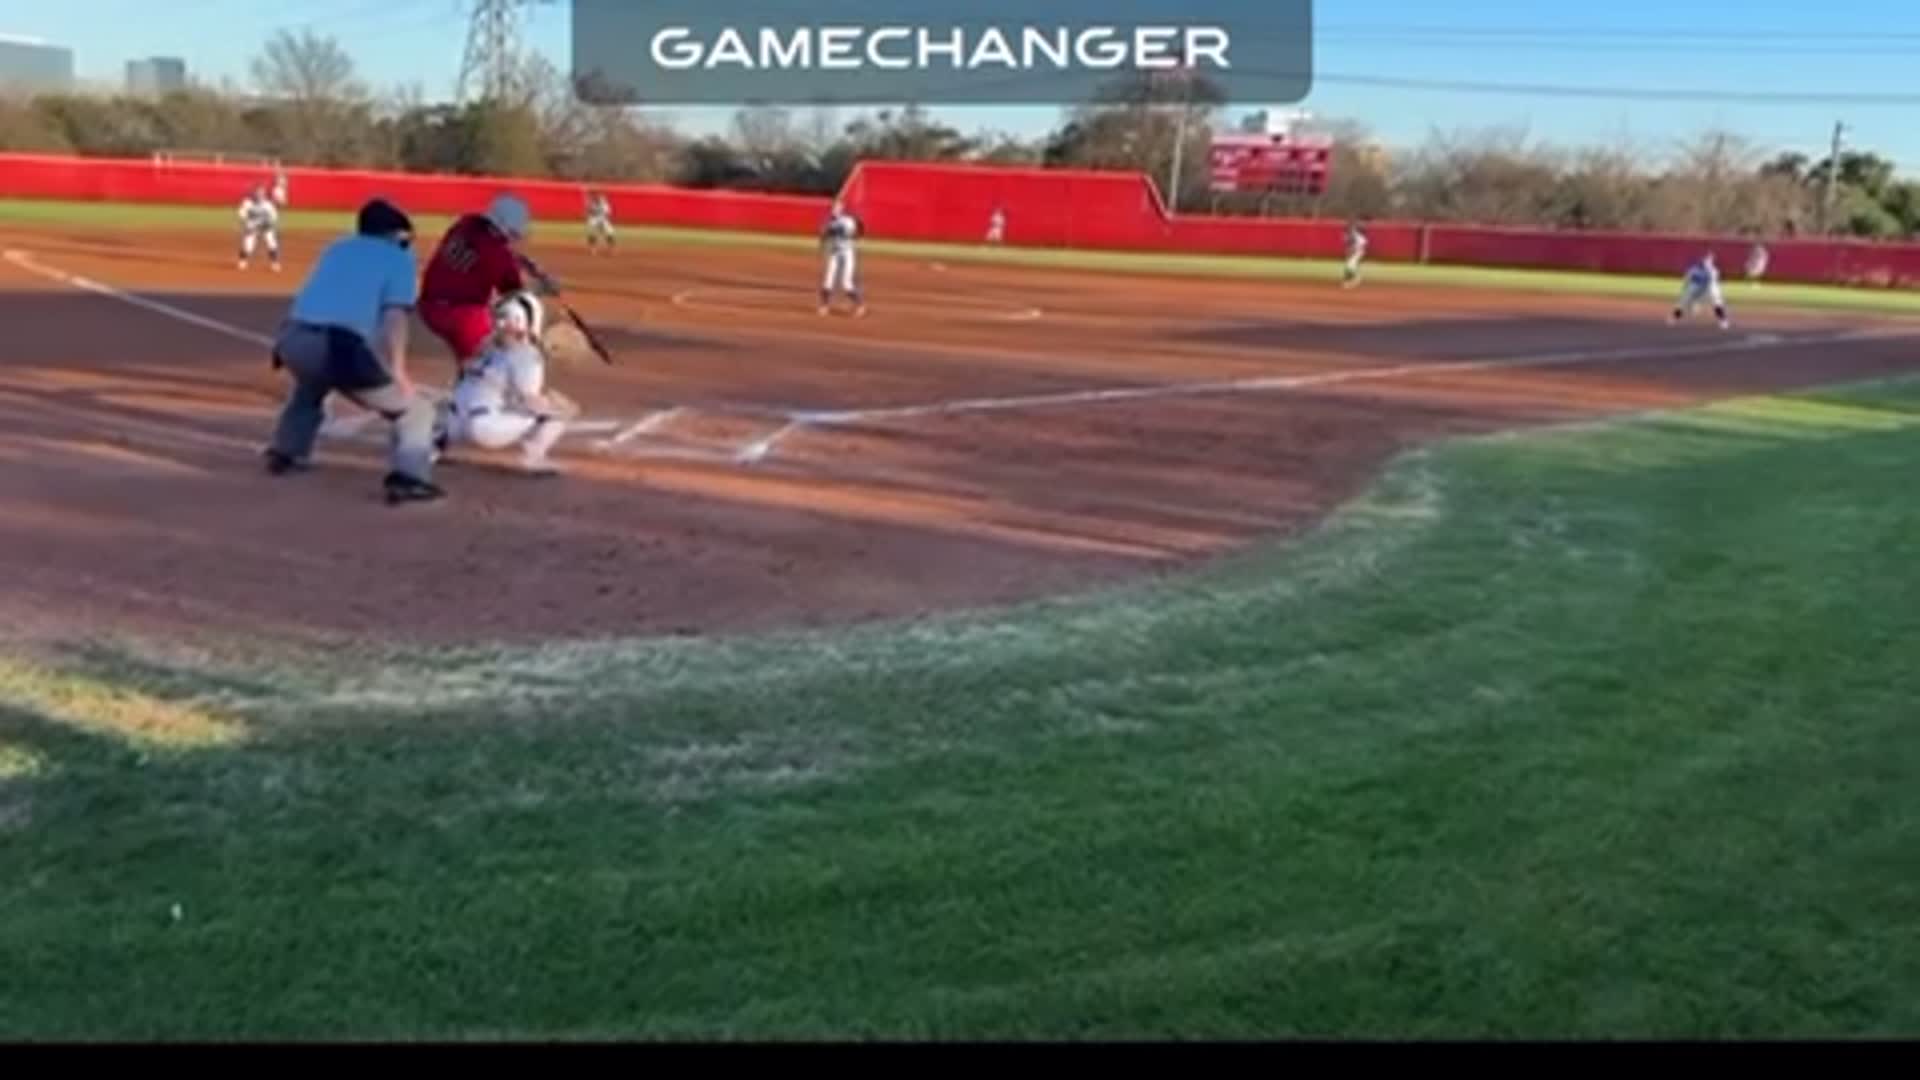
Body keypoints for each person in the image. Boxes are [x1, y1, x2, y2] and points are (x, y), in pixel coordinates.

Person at [263, 198, 444, 505]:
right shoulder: (397, 259)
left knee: (310, 386)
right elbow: (395, 318)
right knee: (416, 411)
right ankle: (410, 478)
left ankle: (286, 453)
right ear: (392, 234)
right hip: (336, 346)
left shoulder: (337, 248)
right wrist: (398, 371)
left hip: (292, 338)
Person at [440, 290, 577, 476]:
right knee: (559, 413)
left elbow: (467, 372)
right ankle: (534, 459)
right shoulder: (528, 356)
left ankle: (438, 444)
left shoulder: (486, 346)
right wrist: (560, 407)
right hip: (485, 431)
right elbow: (529, 402)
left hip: (452, 423)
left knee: (463, 396)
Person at [419, 193, 555, 375]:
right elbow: (515, 294)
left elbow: (482, 246)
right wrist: (544, 287)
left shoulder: (466, 223)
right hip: (462, 314)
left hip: (428, 306)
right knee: (487, 367)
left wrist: (518, 259)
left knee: (470, 361)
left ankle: (465, 386)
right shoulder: (498, 255)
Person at [819, 199, 865, 317]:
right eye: (834, 209)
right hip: (835, 252)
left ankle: (860, 305)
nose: (834, 211)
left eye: (836, 209)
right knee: (828, 280)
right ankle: (824, 306)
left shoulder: (844, 221)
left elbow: (859, 226)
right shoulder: (835, 221)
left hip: (847, 253)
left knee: (846, 283)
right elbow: (825, 235)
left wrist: (857, 236)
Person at [1671, 252, 1732, 330]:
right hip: (1699, 286)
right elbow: (1688, 279)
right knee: (1685, 301)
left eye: (1710, 261)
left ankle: (1723, 321)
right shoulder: (1696, 269)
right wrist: (1686, 288)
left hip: (1709, 287)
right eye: (1707, 260)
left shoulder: (1713, 271)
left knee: (1717, 303)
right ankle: (1675, 317)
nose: (1708, 262)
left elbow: (1713, 281)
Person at [237, 184, 281, 273]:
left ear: (264, 194)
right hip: (252, 227)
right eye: (258, 192)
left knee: (271, 242)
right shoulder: (248, 202)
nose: (259, 194)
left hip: (265, 227)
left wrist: (269, 223)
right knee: (248, 246)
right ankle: (242, 261)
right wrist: (247, 224)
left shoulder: (268, 204)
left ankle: (274, 263)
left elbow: (274, 216)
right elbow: (241, 214)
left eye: (261, 193)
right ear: (254, 193)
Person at [585, 190, 616, 255]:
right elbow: (589, 212)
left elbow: (607, 213)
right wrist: (590, 210)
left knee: (609, 233)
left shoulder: (604, 203)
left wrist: (603, 221)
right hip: (593, 219)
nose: (598, 198)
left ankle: (611, 249)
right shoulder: (590, 203)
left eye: (599, 197)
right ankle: (592, 249)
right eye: (596, 196)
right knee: (592, 232)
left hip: (603, 219)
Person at [1342, 220, 1368, 289]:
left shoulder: (1359, 237)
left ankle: (1350, 281)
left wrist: (1352, 250)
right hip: (1355, 252)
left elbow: (1360, 246)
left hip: (1358, 252)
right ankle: (1351, 280)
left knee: (1350, 266)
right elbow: (1348, 243)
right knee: (1350, 266)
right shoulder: (1352, 235)